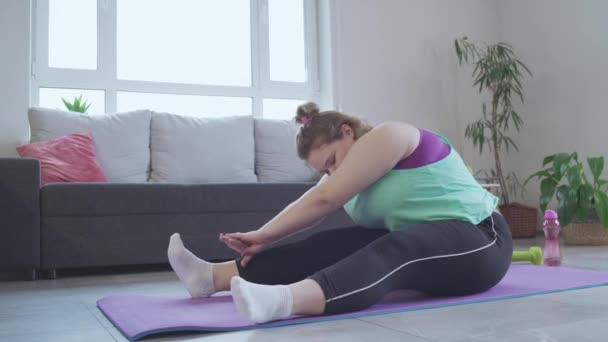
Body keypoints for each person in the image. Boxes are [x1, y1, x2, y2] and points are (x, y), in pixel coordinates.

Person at [167, 102, 513, 323]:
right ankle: (213, 277)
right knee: (323, 245)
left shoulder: (390, 135)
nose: (331, 173)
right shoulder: (347, 172)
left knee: (397, 246)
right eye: (325, 170)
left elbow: (324, 199)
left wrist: (264, 234)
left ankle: (287, 301)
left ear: (347, 132)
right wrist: (261, 236)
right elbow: (310, 202)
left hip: (481, 240)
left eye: (331, 161)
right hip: (431, 252)